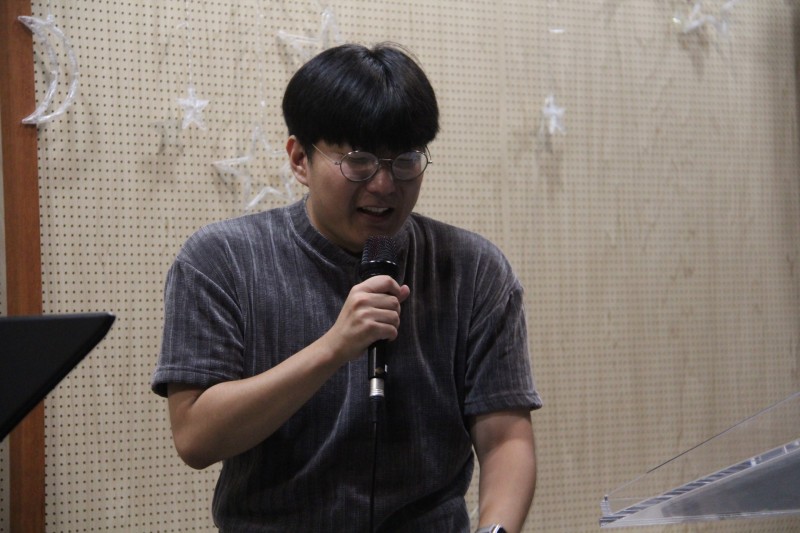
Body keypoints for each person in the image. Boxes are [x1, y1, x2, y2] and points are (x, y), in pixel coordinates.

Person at [151, 42, 542, 533]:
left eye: (405, 161)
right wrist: (334, 347)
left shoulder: (474, 269)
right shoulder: (220, 260)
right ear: (300, 159)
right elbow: (195, 437)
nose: (384, 184)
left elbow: (506, 438)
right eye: (359, 161)